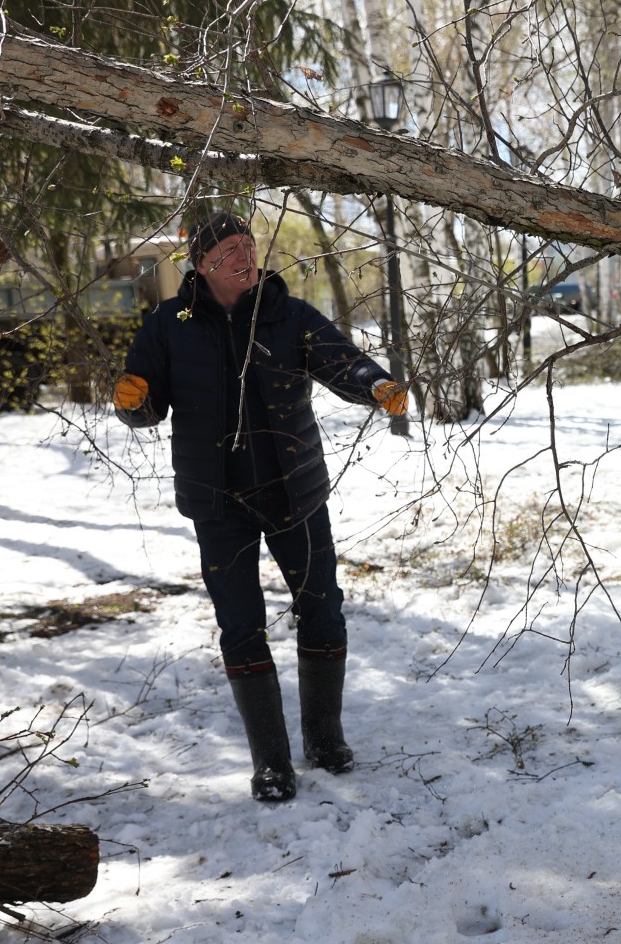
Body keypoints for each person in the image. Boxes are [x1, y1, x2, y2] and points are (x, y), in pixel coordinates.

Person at [112, 211, 407, 803]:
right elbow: (143, 398)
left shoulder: (287, 314)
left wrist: (374, 384)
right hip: (218, 503)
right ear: (202, 265)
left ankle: (325, 739)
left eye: (249, 245)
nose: (245, 257)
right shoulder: (172, 324)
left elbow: (338, 358)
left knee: (322, 610)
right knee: (240, 627)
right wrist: (132, 403)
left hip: (294, 493)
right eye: (229, 251)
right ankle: (271, 764)